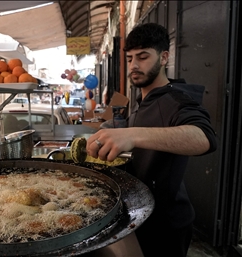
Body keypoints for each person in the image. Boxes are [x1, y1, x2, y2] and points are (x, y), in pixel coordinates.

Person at [85, 23, 217, 257]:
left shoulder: (176, 99)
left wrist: (132, 135)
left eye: (143, 57)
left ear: (164, 57)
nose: (134, 65)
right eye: (130, 58)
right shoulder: (141, 100)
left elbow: (204, 137)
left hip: (166, 226)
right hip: (140, 215)